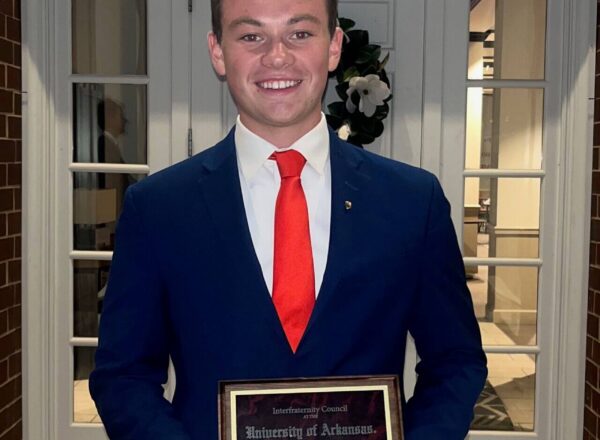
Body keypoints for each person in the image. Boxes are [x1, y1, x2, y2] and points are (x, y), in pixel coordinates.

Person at [89, 0, 487, 438]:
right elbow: (123, 377)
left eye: (300, 33)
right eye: (250, 36)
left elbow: (455, 360)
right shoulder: (158, 209)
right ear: (218, 52)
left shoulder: (412, 201)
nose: (276, 56)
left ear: (333, 46)